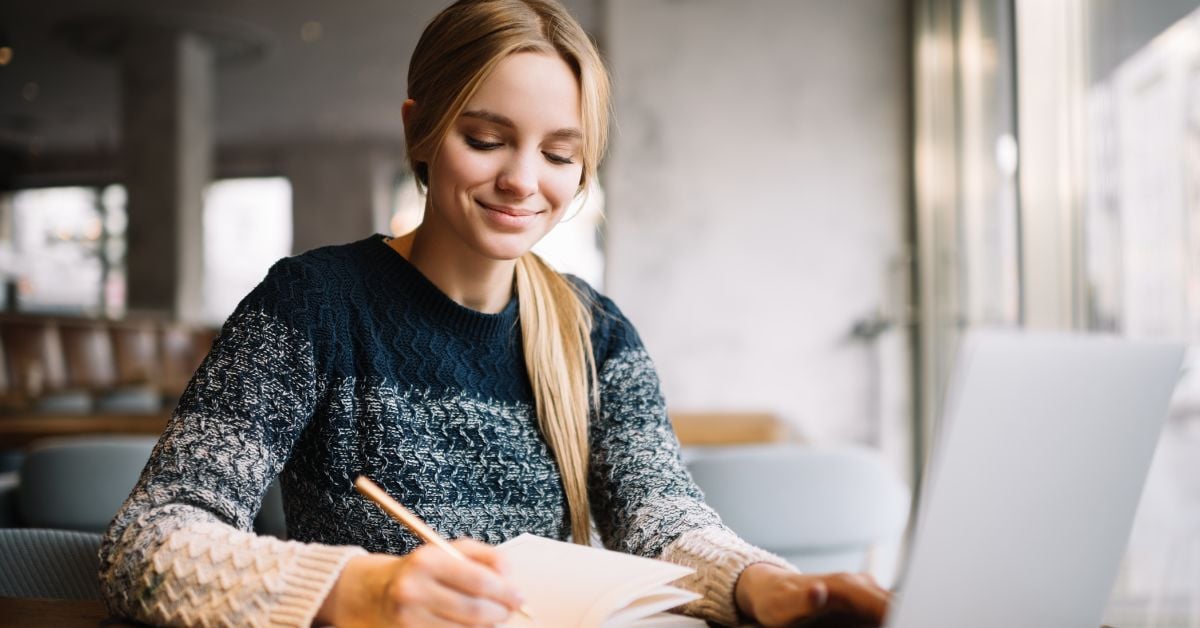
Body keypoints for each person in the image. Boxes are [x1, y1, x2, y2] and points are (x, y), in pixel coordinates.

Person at [99, 0, 891, 626]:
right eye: (487, 139)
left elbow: (660, 514)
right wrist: (361, 590)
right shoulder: (313, 305)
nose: (523, 180)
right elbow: (148, 543)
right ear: (420, 129)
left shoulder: (597, 332)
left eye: (558, 154)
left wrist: (762, 584)